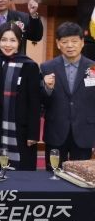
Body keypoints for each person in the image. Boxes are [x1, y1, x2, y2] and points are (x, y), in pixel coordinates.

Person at [0, 22, 41, 171]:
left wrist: (33, 133)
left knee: (21, 174)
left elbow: (34, 103)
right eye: (3, 40)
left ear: (19, 42)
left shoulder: (30, 66)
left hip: (21, 130)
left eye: (12, 40)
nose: (8, 44)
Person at [40, 22, 95, 167]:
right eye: (65, 42)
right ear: (58, 44)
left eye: (74, 41)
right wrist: (47, 88)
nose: (70, 46)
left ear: (82, 42)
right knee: (53, 174)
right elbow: (41, 101)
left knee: (81, 175)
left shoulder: (93, 68)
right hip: (55, 131)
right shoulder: (47, 67)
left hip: (84, 132)